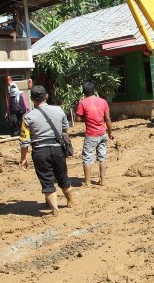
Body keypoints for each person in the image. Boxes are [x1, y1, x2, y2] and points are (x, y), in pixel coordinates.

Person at [19, 85, 75, 216]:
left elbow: (24, 141)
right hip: (57, 149)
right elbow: (65, 129)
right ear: (47, 96)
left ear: (32, 99)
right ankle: (71, 201)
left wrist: (23, 158)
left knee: (47, 180)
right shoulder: (59, 110)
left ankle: (55, 209)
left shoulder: (28, 117)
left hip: (40, 152)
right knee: (62, 176)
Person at [76, 82, 114, 187]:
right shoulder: (103, 101)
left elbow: (78, 118)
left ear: (84, 92)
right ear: (94, 90)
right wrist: (110, 132)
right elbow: (107, 118)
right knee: (102, 157)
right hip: (103, 133)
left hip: (91, 135)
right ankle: (102, 181)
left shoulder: (83, 103)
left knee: (87, 158)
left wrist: (85, 116)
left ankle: (87, 182)